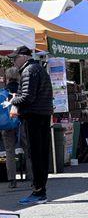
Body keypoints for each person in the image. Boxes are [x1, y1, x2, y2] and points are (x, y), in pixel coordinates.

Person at [8, 46, 53, 205]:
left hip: (34, 116)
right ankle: (40, 190)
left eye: (15, 58)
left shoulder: (29, 71)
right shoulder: (38, 69)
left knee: (35, 155)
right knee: (40, 154)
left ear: (24, 57)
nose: (13, 61)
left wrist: (12, 101)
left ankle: (38, 191)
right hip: (42, 114)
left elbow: (27, 97)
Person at [1, 67, 21, 189]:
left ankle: (12, 179)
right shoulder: (22, 89)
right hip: (22, 121)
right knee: (28, 149)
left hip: (7, 123)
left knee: (9, 151)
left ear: (7, 78)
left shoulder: (3, 92)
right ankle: (31, 176)